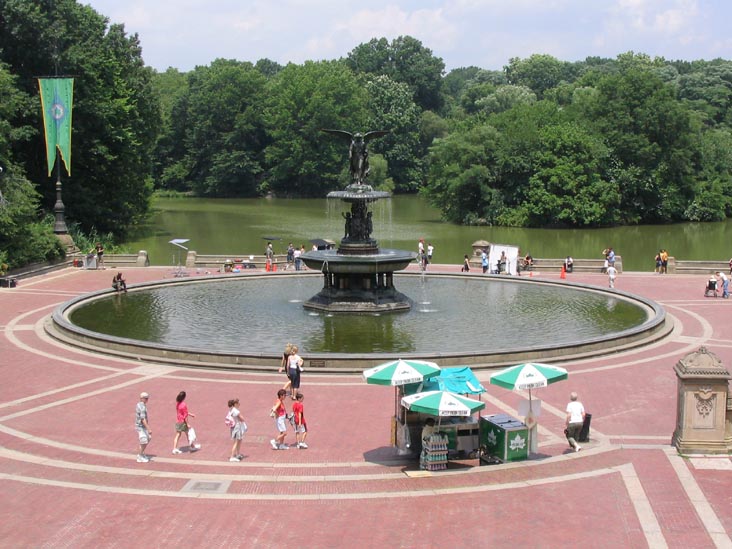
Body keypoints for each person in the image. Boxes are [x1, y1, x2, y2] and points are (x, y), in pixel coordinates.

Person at [135, 392, 152, 463]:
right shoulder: (142, 406)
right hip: (141, 426)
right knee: (144, 440)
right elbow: (143, 419)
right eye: (146, 398)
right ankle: (139, 456)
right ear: (142, 398)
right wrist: (149, 428)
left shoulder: (140, 404)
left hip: (142, 426)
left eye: (147, 398)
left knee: (148, 438)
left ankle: (141, 453)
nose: (147, 400)